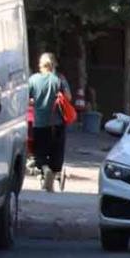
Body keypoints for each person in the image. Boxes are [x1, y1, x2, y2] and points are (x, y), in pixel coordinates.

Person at [24, 53, 75, 191]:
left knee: (39, 152)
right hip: (57, 123)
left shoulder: (33, 79)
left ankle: (45, 169)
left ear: (40, 65)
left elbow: (26, 99)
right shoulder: (59, 79)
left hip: (39, 124)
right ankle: (52, 177)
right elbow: (68, 98)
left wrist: (35, 101)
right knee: (56, 152)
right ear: (53, 65)